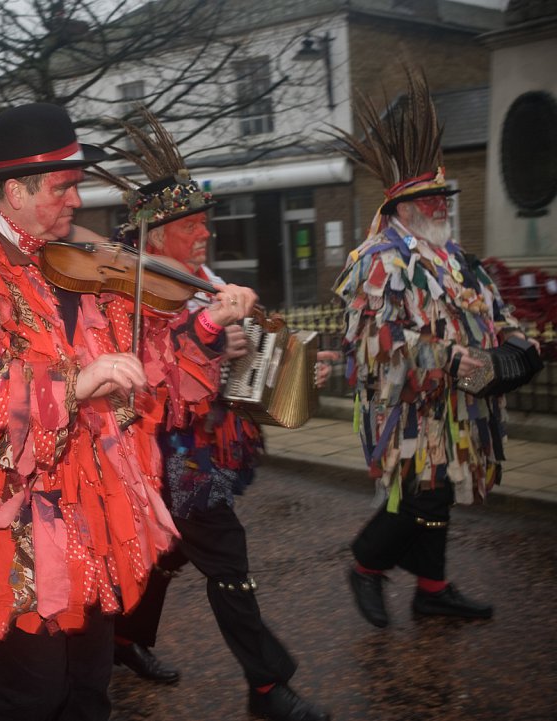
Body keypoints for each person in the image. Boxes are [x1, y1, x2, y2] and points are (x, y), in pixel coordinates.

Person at [0, 101, 251, 720]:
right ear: (15, 189)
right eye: (65, 187)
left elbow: (147, 363)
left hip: (92, 514)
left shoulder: (74, 265)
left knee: (88, 690)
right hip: (15, 526)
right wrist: (72, 383)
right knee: (27, 695)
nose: (78, 203)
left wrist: (205, 330)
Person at [105, 109, 331, 721]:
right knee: (225, 554)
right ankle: (266, 689)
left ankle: (120, 643)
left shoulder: (205, 278)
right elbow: (151, 368)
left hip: (204, 442)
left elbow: (230, 363)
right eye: (193, 227)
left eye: (206, 224)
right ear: (157, 236)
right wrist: (210, 334)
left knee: (167, 553)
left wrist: (288, 364)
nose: (205, 234)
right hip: (163, 450)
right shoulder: (131, 286)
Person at [330, 70, 534, 628]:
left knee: (438, 493)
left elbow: (491, 307)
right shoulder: (378, 261)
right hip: (406, 404)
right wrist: (442, 357)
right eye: (431, 200)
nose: (442, 206)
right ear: (402, 208)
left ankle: (432, 590)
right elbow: (375, 341)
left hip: (460, 402)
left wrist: (516, 337)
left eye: (444, 198)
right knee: (416, 494)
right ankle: (366, 568)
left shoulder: (457, 258)